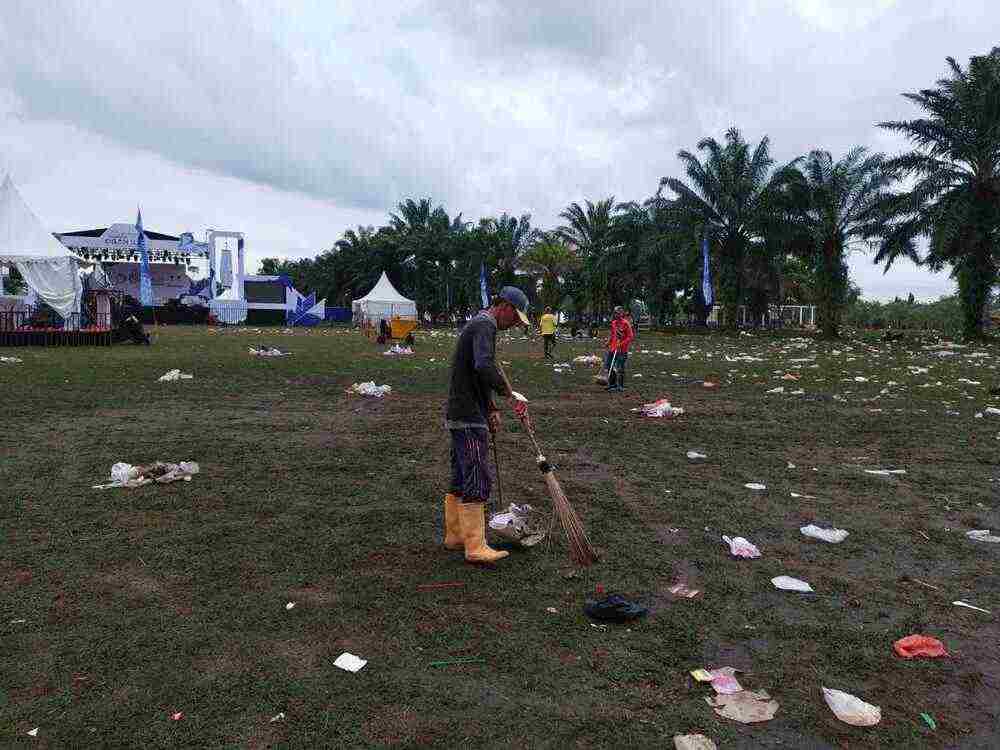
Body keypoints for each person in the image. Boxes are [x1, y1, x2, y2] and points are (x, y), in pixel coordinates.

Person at [443, 286, 530, 564]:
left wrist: (491, 407)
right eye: (515, 317)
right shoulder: (485, 325)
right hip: (468, 414)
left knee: (461, 474)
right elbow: (483, 366)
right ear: (503, 306)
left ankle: (456, 535)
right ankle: (475, 546)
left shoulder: (480, 323)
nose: (515, 323)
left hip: (466, 410)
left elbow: (479, 371)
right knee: (478, 476)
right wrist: (509, 393)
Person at [605, 306, 634, 392]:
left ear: (622, 314)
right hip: (613, 348)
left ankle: (620, 386)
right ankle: (612, 384)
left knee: (620, 368)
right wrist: (608, 342)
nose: (616, 314)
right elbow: (612, 334)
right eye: (615, 313)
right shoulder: (613, 323)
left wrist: (621, 344)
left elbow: (630, 337)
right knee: (609, 365)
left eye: (618, 313)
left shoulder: (626, 323)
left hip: (622, 350)